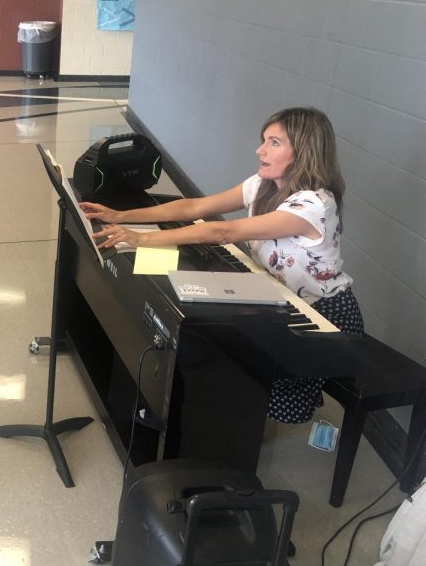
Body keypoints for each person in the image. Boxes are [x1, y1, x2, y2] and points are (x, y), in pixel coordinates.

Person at [80, 107, 364, 424]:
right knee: (209, 337)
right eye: (263, 141)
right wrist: (120, 215)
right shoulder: (265, 183)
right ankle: (184, 411)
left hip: (323, 313)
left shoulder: (314, 203)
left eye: (273, 143)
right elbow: (196, 206)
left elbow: (222, 231)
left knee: (244, 376)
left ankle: (207, 430)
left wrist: (138, 239)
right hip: (279, 297)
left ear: (304, 151)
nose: (260, 150)